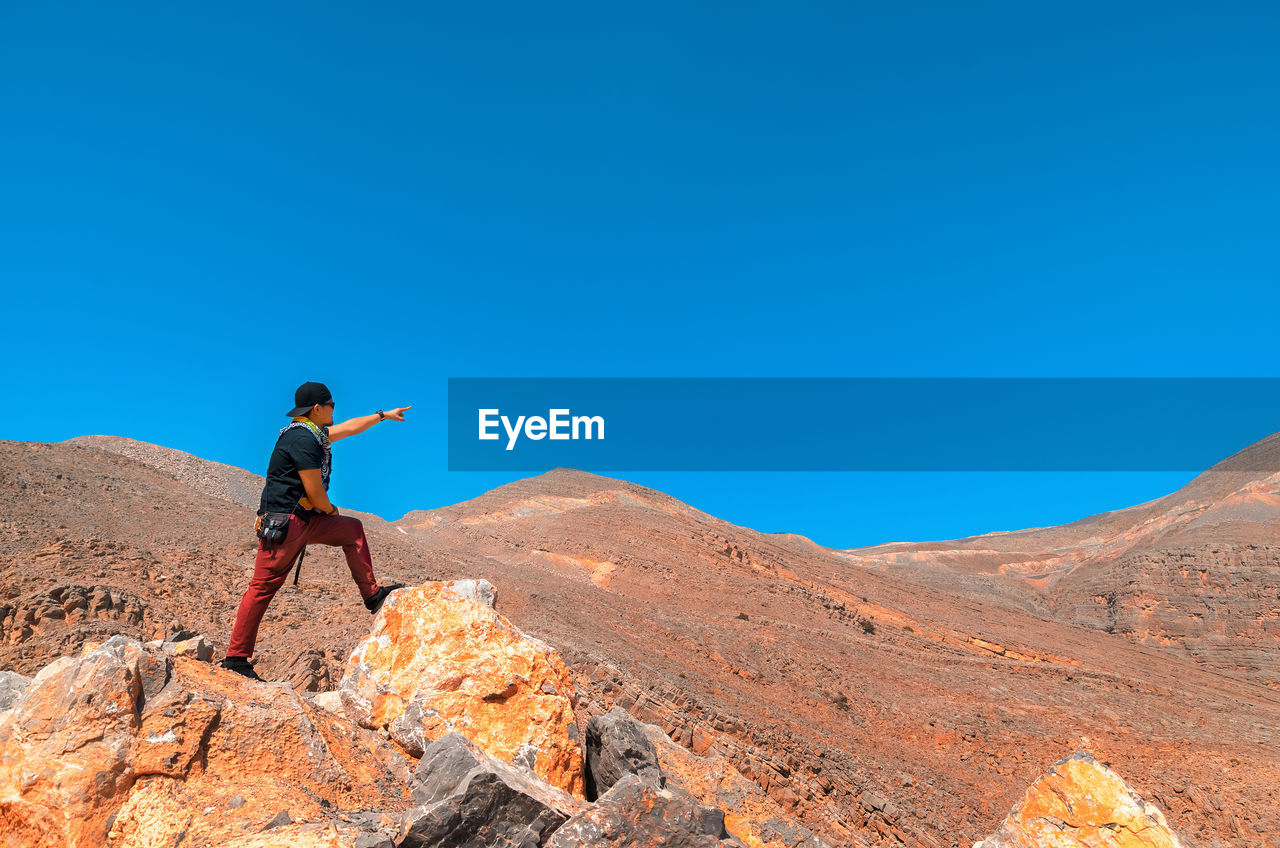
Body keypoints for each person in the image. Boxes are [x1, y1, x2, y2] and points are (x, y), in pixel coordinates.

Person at [220, 381, 410, 681]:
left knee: (352, 530)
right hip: (285, 524)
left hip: (304, 521)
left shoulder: (314, 434)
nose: (335, 408)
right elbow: (314, 489)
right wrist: (330, 509)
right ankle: (235, 658)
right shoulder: (302, 440)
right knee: (261, 588)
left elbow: (349, 428)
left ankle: (373, 595)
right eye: (331, 404)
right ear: (317, 408)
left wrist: (383, 415)